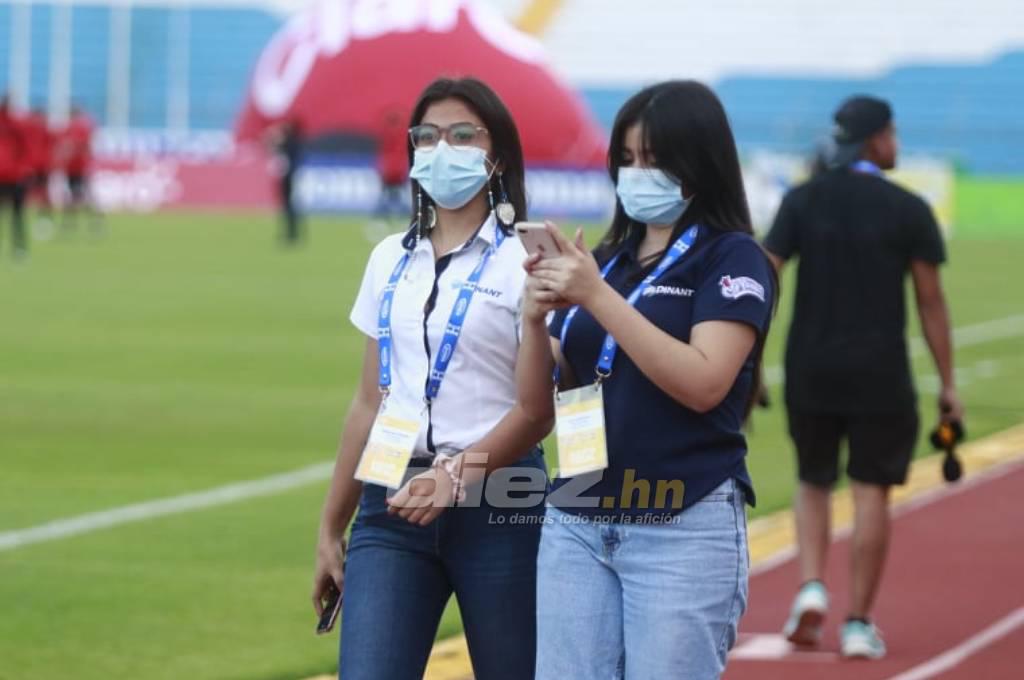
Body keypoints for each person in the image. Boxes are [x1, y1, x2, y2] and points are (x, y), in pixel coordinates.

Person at [520, 80, 776, 680]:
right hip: (579, 517)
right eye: (627, 160)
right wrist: (531, 320)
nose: (637, 174)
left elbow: (705, 381)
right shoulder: (605, 258)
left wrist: (597, 297)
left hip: (681, 523)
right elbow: (537, 401)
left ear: (699, 163)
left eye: (655, 161)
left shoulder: (732, 257)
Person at [311, 77, 552, 680]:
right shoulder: (388, 258)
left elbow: (537, 409)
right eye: (428, 135)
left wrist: (457, 475)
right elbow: (368, 402)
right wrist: (330, 526)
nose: (443, 148)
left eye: (463, 135)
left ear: (496, 155)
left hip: (499, 503)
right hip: (391, 504)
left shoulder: (527, 261)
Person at [764, 95, 963, 659]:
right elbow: (931, 303)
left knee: (813, 479)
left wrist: (750, 362)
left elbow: (764, 279)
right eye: (892, 134)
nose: (895, 144)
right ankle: (857, 622)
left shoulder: (801, 200)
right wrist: (948, 385)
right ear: (874, 140)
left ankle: (809, 587)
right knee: (871, 490)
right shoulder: (907, 207)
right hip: (880, 372)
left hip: (811, 366)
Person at [58, 105, 99, 232]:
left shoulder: (74, 128)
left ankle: (73, 223)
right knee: (80, 194)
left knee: (77, 195)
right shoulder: (82, 127)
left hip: (77, 167)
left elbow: (69, 147)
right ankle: (93, 222)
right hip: (76, 167)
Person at [0, 95, 29, 259]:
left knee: (17, 214)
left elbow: (25, 149)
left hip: (14, 176)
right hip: (10, 175)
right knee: (15, 214)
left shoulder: (17, 124)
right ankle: (19, 248)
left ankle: (19, 247)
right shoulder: (16, 123)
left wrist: (23, 169)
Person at [267, 120, 304, 245]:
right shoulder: (296, 143)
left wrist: (275, 139)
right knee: (289, 206)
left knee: (288, 206)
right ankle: (292, 233)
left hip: (288, 177)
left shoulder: (289, 143)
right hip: (291, 176)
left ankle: (291, 234)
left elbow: (273, 146)